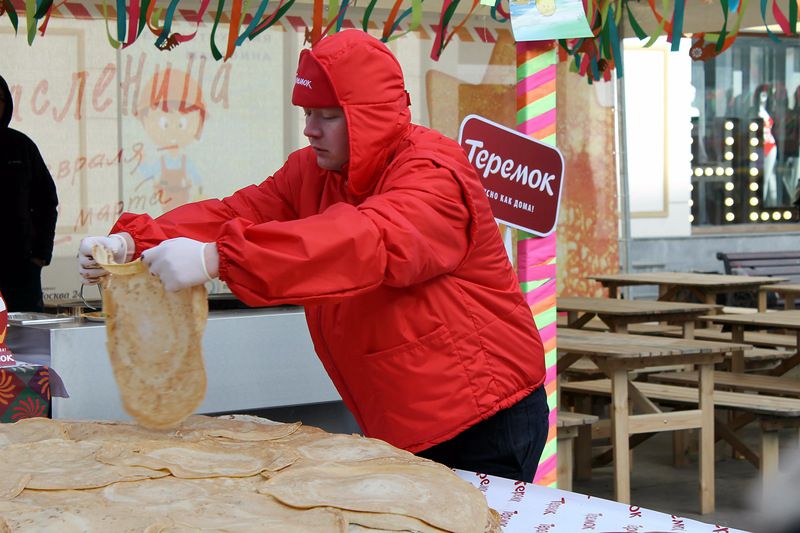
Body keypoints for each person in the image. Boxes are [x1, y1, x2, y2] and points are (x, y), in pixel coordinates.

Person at [78, 30, 549, 482]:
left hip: (485, 419)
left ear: (370, 116)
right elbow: (239, 212)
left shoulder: (433, 174)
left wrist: (217, 259)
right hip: (404, 420)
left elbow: (366, 240)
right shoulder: (314, 172)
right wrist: (135, 243)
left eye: (327, 115)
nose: (309, 130)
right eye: (307, 113)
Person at [0, 74, 59, 313]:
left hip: (20, 272)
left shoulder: (21, 146)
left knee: (26, 334)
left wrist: (40, 255)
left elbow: (47, 202)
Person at [754, 83, 780, 206]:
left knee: (770, 177)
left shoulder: (767, 111)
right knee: (764, 178)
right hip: (760, 146)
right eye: (761, 94)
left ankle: (771, 205)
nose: (763, 97)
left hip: (770, 145)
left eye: (765, 95)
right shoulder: (755, 111)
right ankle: (761, 205)